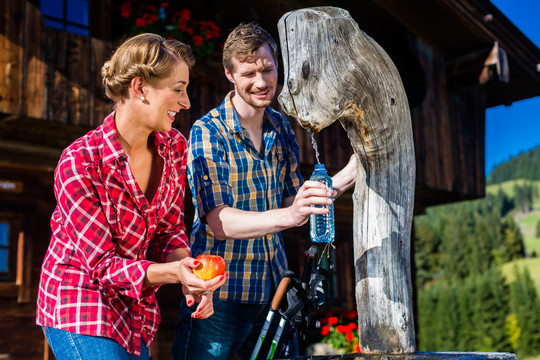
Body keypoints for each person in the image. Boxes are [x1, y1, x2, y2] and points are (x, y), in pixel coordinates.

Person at [171, 23, 356, 360]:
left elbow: (293, 204)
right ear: (229, 74)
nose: (261, 81)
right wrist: (291, 214)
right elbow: (219, 222)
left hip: (272, 291)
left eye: (268, 69)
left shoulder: (281, 127)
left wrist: (345, 176)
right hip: (218, 294)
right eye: (248, 73)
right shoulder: (208, 131)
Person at [36, 33, 226, 360]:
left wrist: (191, 274)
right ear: (140, 88)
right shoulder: (80, 162)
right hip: (78, 299)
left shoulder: (174, 147)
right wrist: (174, 272)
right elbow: (102, 266)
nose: (186, 102)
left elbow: (168, 229)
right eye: (178, 89)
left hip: (133, 310)